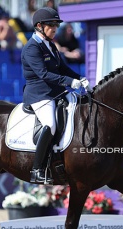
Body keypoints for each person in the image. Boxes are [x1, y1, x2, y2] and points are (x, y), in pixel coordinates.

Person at [21, 7, 90, 184]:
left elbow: (62, 68)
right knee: (50, 125)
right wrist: (69, 82)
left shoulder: (50, 44)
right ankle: (37, 169)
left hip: (56, 91)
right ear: (39, 26)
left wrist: (79, 77)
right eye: (51, 25)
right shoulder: (31, 48)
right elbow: (43, 74)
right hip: (40, 94)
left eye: (56, 25)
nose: (54, 29)